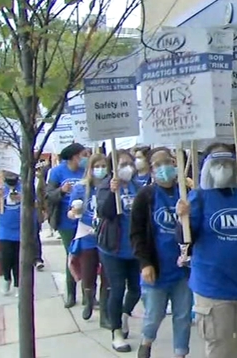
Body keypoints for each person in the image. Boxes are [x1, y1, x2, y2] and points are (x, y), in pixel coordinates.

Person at [175, 144, 237, 358]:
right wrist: (182, 218)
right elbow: (185, 239)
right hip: (212, 283)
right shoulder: (199, 197)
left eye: (227, 163)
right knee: (218, 341)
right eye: (217, 163)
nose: (222, 168)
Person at [130, 149, 192, 358]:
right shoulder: (145, 196)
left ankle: (180, 353)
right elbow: (137, 233)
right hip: (157, 268)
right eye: (157, 164)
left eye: (168, 162)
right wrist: (144, 263)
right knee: (154, 315)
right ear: (152, 169)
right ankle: (146, 343)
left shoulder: (186, 194)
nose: (163, 167)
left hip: (183, 270)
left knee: (183, 315)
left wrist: (188, 215)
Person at [97, 149, 142, 353]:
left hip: (134, 248)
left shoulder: (137, 186)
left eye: (129, 163)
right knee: (117, 289)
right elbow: (103, 212)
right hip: (113, 249)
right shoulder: (106, 186)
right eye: (122, 164)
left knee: (136, 289)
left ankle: (124, 315)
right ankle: (116, 332)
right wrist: (112, 193)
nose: (127, 168)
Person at [69, 153, 111, 326]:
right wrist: (74, 213)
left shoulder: (110, 187)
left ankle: (104, 315)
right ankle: (88, 299)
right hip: (87, 236)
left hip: (107, 236)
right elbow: (71, 212)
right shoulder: (80, 188)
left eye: (103, 166)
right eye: (96, 167)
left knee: (108, 277)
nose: (100, 170)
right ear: (90, 169)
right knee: (88, 274)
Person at [46, 142, 89, 308]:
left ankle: (88, 293)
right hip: (65, 221)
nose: (86, 158)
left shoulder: (85, 170)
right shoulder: (57, 172)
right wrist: (62, 191)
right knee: (72, 255)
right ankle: (71, 293)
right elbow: (48, 195)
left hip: (85, 220)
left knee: (87, 256)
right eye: (83, 155)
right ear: (74, 157)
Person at [0, 171, 27, 295]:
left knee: (17, 258)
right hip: (4, 229)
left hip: (20, 228)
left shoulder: (24, 189)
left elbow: (35, 204)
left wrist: (23, 198)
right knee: (6, 256)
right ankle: (6, 279)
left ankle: (17, 285)